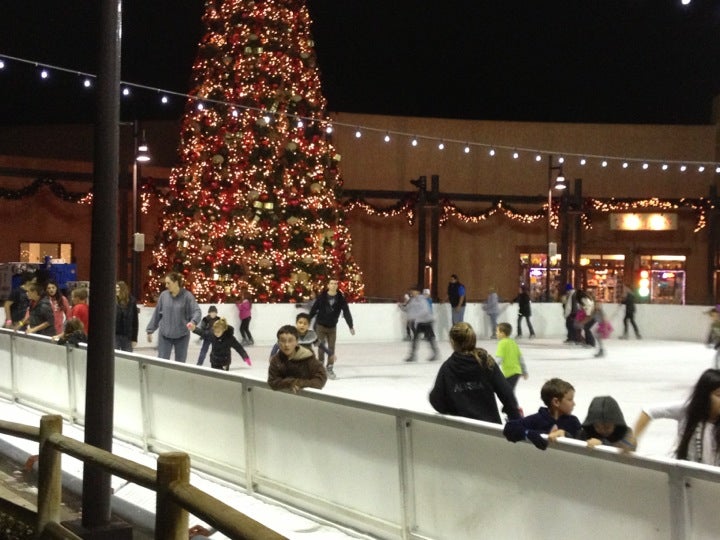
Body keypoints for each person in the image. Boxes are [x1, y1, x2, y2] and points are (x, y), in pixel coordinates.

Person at [428, 322, 520, 423]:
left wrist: (452, 410)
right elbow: (507, 394)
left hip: (461, 430)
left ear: (452, 342)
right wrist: (516, 420)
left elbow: (436, 400)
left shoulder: (448, 368)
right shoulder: (486, 362)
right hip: (490, 428)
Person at [633, 368, 720, 465]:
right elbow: (649, 411)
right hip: (687, 473)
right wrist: (632, 438)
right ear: (704, 396)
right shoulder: (686, 410)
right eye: (719, 395)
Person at [503, 378, 581, 450]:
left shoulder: (573, 422)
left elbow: (581, 441)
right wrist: (528, 433)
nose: (574, 403)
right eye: (570, 400)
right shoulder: (537, 419)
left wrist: (565, 435)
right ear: (556, 402)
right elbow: (509, 428)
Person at [146, 271, 202, 363]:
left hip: (182, 336)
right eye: (166, 283)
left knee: (180, 364)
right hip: (165, 335)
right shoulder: (164, 295)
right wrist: (150, 330)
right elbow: (157, 314)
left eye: (168, 283)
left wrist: (193, 322)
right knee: (162, 363)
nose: (166, 286)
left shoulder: (187, 296)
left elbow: (197, 311)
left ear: (176, 283)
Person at [308, 278, 355, 380]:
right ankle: (320, 367)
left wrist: (350, 326)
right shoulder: (322, 297)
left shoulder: (340, 298)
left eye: (335, 284)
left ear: (337, 286)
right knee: (321, 346)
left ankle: (330, 368)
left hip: (332, 327)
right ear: (328, 285)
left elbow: (346, 312)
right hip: (320, 326)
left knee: (331, 348)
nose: (333, 285)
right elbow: (314, 309)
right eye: (331, 283)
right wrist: (307, 320)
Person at [268, 324, 327, 393]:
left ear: (296, 342)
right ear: (278, 343)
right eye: (283, 341)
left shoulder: (308, 358)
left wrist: (300, 383)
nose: (286, 345)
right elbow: (273, 381)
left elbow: (320, 379)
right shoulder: (276, 360)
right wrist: (290, 383)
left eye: (290, 341)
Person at [269, 312, 336, 364]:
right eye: (300, 323)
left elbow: (321, 345)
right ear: (296, 323)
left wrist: (330, 354)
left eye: (305, 323)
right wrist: (272, 355)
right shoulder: (290, 333)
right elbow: (278, 345)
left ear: (308, 325)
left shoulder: (311, 335)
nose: (302, 325)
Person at [403, 285, 439, 363]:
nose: (412, 293)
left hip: (427, 321)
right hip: (420, 322)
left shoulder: (422, 299)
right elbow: (409, 309)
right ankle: (413, 355)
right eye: (411, 291)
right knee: (416, 338)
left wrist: (414, 316)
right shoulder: (413, 300)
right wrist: (402, 307)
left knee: (430, 338)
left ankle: (435, 353)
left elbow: (425, 310)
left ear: (418, 292)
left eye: (413, 291)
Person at [495, 322, 527, 393]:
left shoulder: (502, 343)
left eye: (497, 331)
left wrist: (491, 368)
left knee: (508, 391)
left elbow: (499, 359)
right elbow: (520, 358)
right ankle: (510, 404)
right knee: (509, 391)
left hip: (510, 372)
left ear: (502, 333)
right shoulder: (513, 342)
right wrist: (524, 371)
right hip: (516, 371)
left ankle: (511, 404)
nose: (496, 333)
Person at [115, 281, 138, 352]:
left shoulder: (132, 302)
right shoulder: (112, 301)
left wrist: (134, 339)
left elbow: (135, 321)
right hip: (115, 335)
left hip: (127, 336)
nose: (116, 290)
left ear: (123, 289)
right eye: (115, 288)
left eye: (118, 288)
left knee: (127, 358)